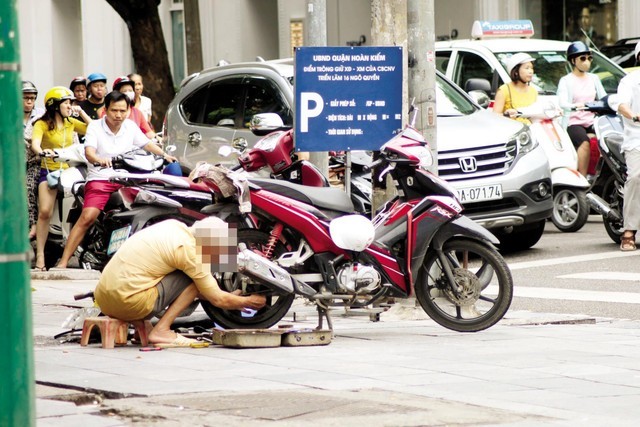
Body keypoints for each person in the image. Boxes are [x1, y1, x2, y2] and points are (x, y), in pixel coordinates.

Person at [94, 217, 266, 346]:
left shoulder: (173, 226)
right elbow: (216, 299)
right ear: (210, 243)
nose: (218, 257)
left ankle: (143, 330)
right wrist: (247, 302)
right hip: (130, 302)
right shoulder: (191, 253)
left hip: (104, 301)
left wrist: (229, 296)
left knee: (154, 275)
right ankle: (162, 331)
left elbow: (200, 292)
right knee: (190, 279)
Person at [55, 91, 177, 268]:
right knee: (88, 217)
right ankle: (64, 261)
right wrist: (99, 160)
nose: (118, 115)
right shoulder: (95, 127)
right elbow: (89, 152)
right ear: (105, 110)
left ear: (128, 110)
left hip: (128, 179)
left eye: (122, 110)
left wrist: (165, 154)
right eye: (114, 110)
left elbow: (146, 144)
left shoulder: (130, 126)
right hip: (101, 178)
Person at [30, 87, 91, 270]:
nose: (70, 106)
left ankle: (73, 251)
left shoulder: (71, 122)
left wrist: (81, 112)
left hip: (70, 172)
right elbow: (35, 143)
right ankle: (40, 255)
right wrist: (42, 152)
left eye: (71, 103)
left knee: (81, 209)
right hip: (48, 171)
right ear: (54, 105)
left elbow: (93, 128)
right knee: (45, 212)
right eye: (66, 103)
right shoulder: (41, 124)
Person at [557, 42, 606, 177]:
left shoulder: (594, 78)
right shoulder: (566, 80)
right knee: (584, 143)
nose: (587, 62)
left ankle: (601, 175)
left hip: (592, 121)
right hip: (574, 122)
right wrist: (576, 106)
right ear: (573, 61)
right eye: (582, 58)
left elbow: (604, 97)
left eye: (589, 58)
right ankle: (582, 180)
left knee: (608, 139)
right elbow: (562, 102)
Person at [611, 42, 640, 251]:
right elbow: (621, 104)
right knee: (637, 177)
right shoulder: (630, 81)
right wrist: (634, 115)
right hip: (636, 137)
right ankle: (629, 230)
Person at [22, 81, 45, 240]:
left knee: (28, 186)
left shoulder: (41, 115)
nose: (29, 101)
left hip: (34, 161)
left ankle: (33, 225)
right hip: (12, 163)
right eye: (26, 98)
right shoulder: (7, 115)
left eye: (32, 98)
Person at [493, 53, 537, 125]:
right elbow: (494, 117)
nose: (531, 71)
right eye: (527, 68)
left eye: (531, 68)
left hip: (530, 131)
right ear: (516, 71)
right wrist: (506, 114)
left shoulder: (533, 91)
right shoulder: (504, 90)